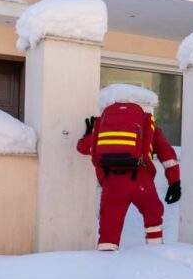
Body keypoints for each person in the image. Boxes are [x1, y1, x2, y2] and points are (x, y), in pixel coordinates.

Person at [77, 103, 181, 251]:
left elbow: (82, 148)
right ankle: (155, 253)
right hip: (142, 181)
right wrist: (174, 182)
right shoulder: (147, 126)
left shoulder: (103, 127)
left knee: (109, 229)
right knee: (153, 216)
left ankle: (105, 263)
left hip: (112, 184)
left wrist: (89, 134)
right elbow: (167, 153)